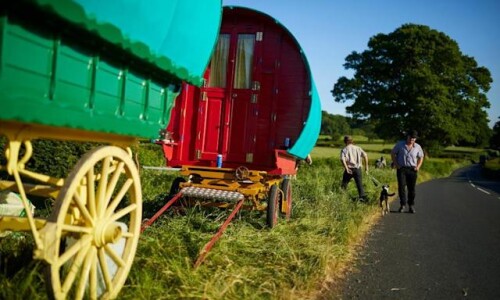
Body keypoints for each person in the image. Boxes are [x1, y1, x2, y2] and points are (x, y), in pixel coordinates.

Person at [391, 129, 424, 213]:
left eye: (414, 138)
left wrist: (418, 167)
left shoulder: (417, 147)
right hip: (401, 169)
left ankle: (411, 205)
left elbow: (421, 157)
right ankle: (402, 205)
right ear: (407, 136)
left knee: (411, 189)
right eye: (410, 137)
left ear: (415, 139)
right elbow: (393, 153)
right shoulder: (400, 145)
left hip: (412, 169)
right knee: (401, 187)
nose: (412, 140)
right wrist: (396, 164)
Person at [340, 135, 369, 201]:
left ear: (345, 141)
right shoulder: (358, 148)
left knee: (344, 184)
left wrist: (346, 168)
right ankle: (362, 199)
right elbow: (365, 156)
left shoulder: (344, 149)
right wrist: (366, 167)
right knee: (359, 185)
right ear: (352, 141)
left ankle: (342, 198)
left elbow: (342, 159)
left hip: (349, 169)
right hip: (357, 169)